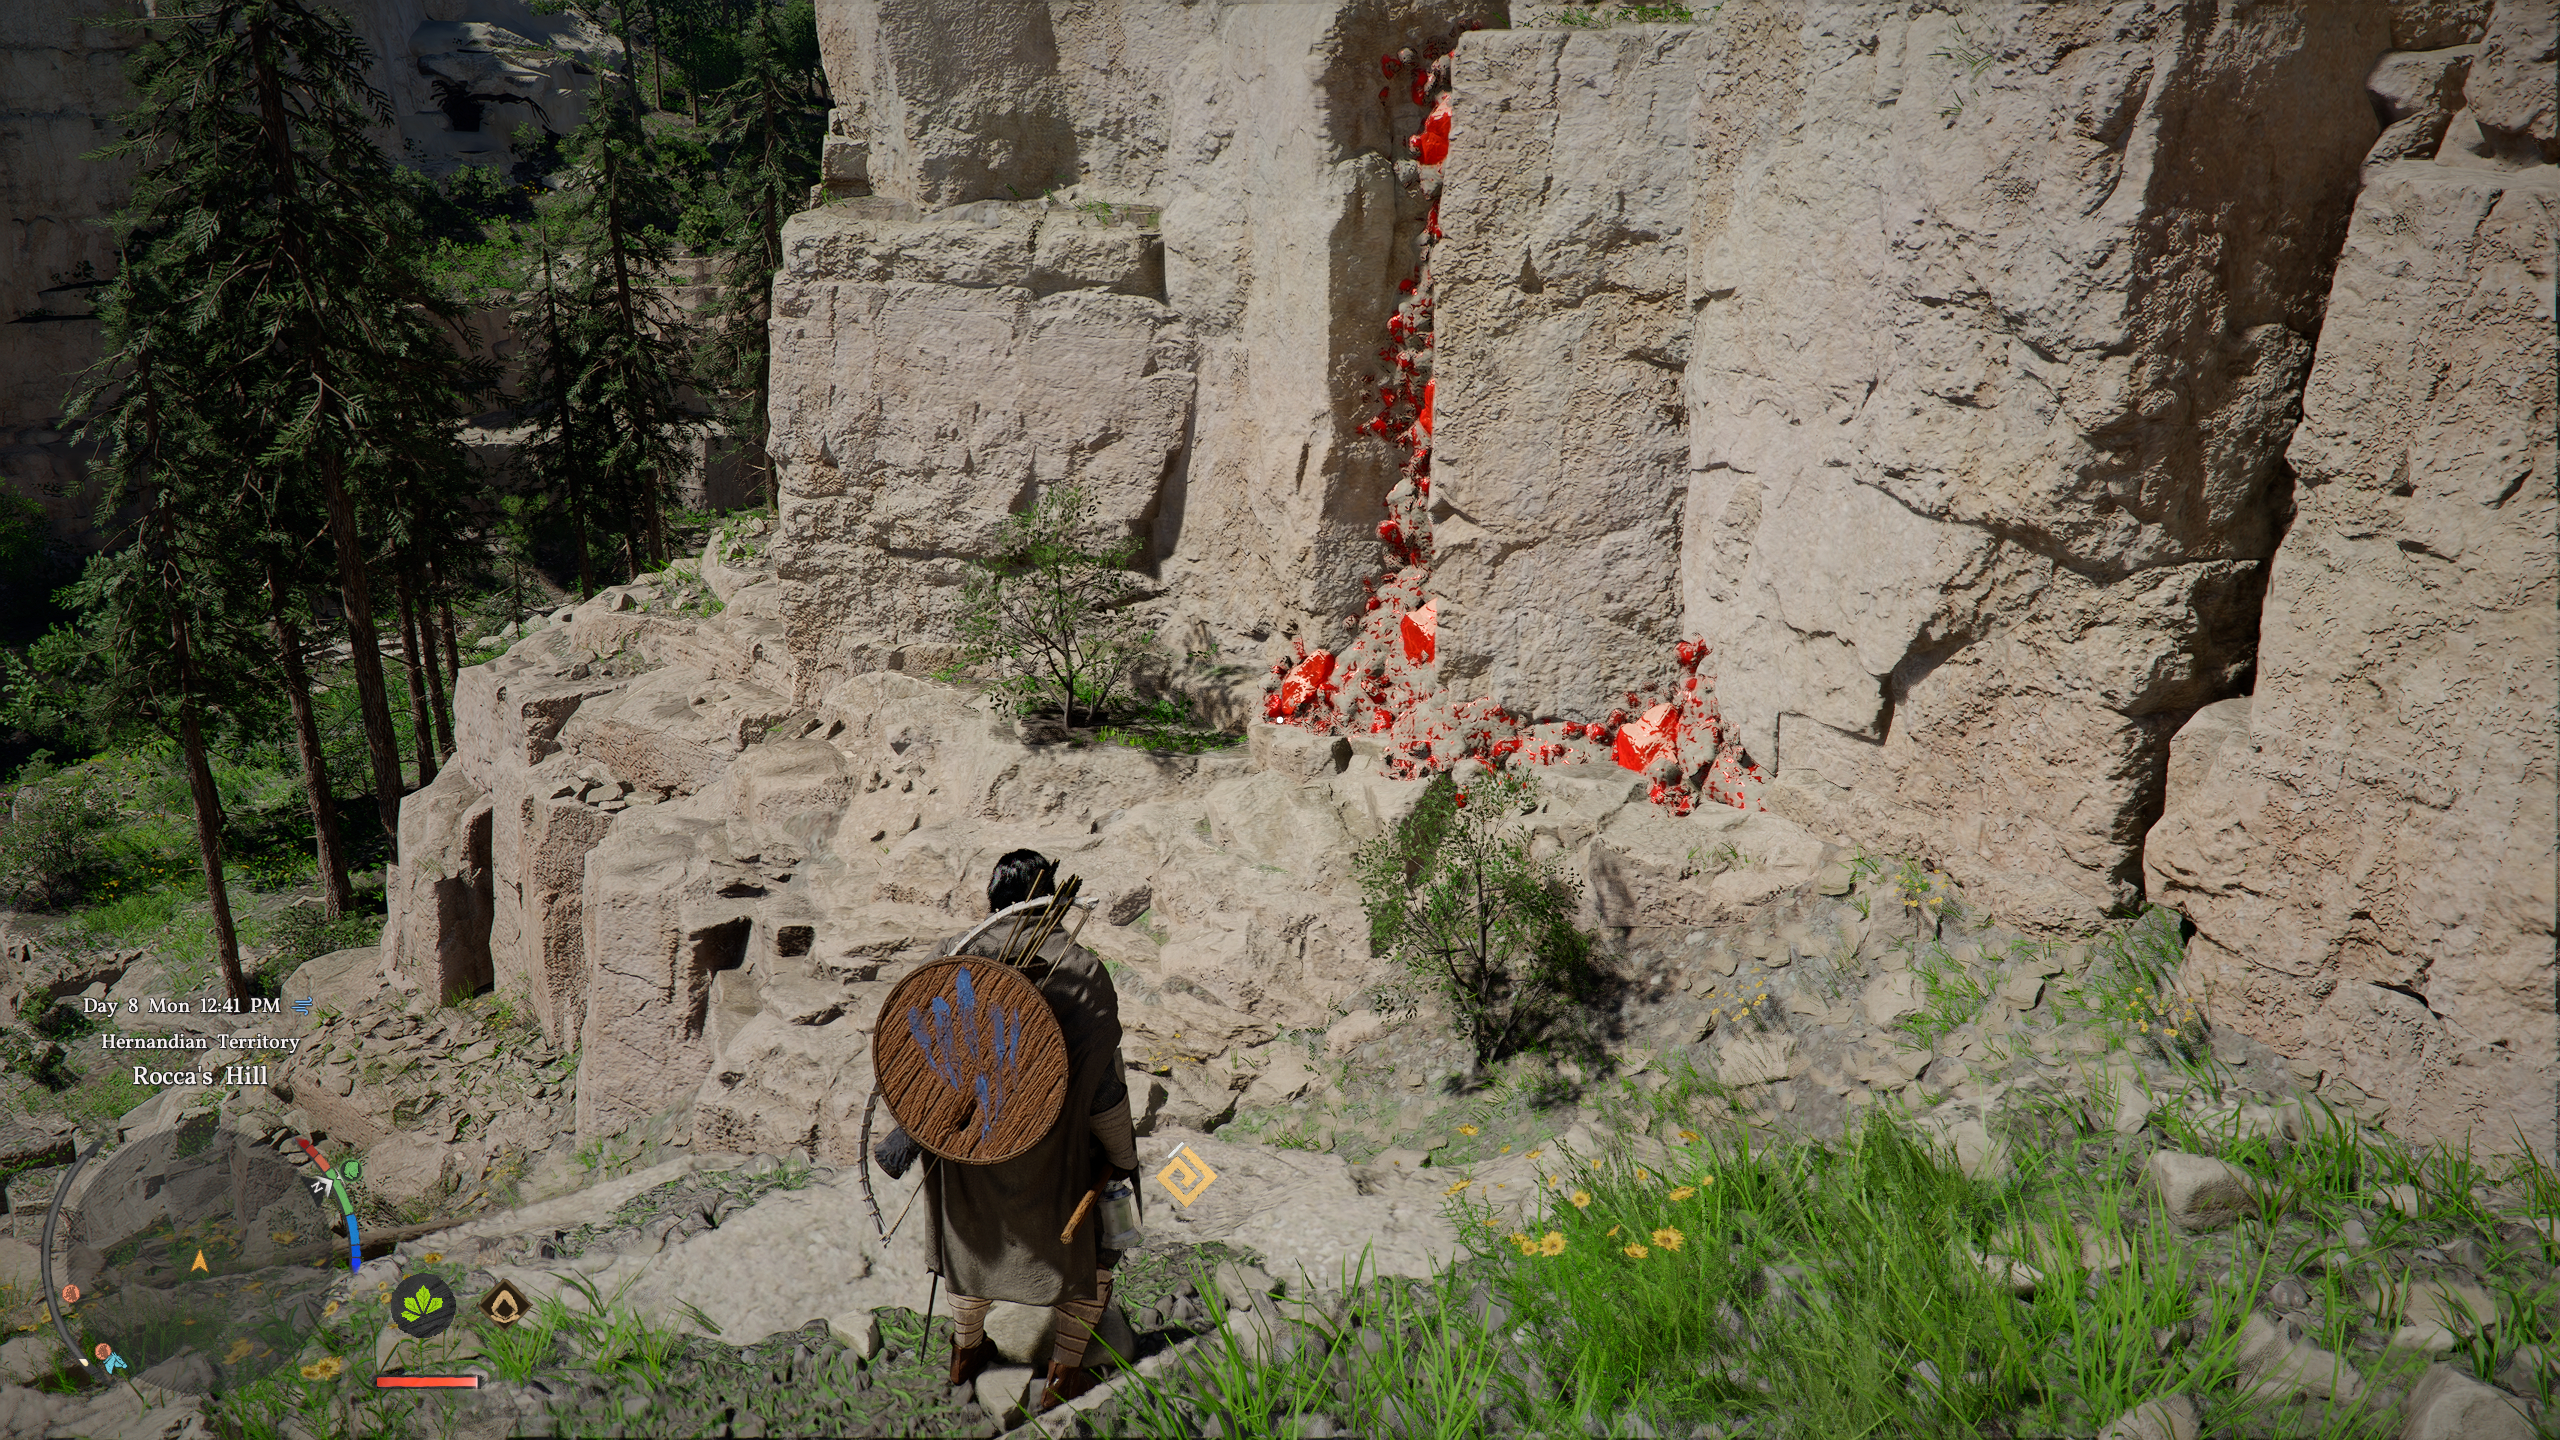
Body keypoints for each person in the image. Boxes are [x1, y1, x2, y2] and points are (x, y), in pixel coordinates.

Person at [915, 849, 1141, 1412]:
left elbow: (913, 1063)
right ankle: (1065, 1372)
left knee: (970, 1242)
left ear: (995, 900)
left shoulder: (952, 957)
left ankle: (965, 1351)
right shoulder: (1078, 967)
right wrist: (1125, 1157)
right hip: (1058, 1158)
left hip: (970, 1146)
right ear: (1052, 897)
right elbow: (1102, 1085)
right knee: (1099, 1243)